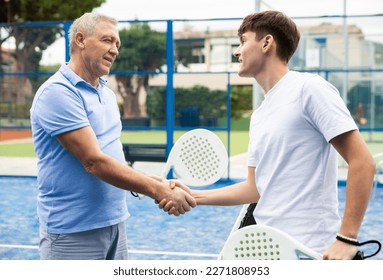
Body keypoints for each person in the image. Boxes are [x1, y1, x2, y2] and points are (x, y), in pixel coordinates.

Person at [161, 10, 375, 260]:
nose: (237, 51)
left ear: (266, 43)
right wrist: (191, 195)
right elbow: (255, 189)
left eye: (243, 41)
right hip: (268, 249)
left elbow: (362, 161)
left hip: (309, 249)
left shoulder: (310, 89)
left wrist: (347, 238)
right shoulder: (260, 114)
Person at [30, 12, 196, 260]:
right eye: (107, 40)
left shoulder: (106, 94)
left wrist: (151, 181)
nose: (115, 50)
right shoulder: (58, 93)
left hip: (115, 224)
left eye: (117, 44)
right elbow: (93, 161)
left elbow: (110, 155)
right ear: (80, 39)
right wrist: (157, 190)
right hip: (73, 232)